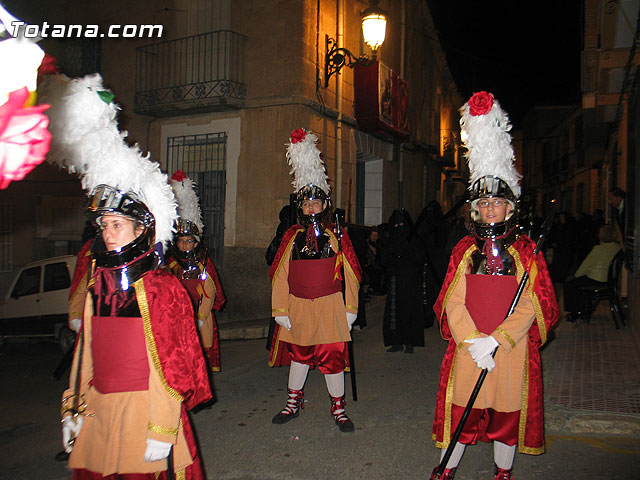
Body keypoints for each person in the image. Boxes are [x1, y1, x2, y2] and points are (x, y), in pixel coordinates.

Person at [54, 74, 211, 480]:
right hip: (100, 410)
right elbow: (85, 355)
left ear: (143, 229)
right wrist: (73, 407)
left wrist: (162, 426)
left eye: (117, 224)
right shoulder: (96, 284)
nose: (107, 232)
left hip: (145, 410)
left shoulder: (161, 288)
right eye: (104, 224)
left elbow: (172, 365)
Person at [430, 92, 558, 480]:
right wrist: (472, 339)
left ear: (510, 207)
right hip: (470, 347)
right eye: (483, 203)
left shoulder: (525, 252)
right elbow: (453, 301)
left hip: (510, 349)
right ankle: (447, 469)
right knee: (462, 410)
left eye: (497, 203)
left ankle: (503, 473)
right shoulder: (464, 250)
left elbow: (535, 305)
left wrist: (498, 339)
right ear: (474, 208)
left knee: (506, 410)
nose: (490, 210)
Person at [268, 128, 362, 433]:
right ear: (301, 206)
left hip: (331, 304)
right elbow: (281, 274)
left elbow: (351, 273)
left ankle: (338, 408)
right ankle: (293, 401)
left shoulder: (337, 236)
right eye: (306, 204)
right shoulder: (291, 237)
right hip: (298, 305)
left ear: (325, 206)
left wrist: (351, 308)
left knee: (333, 357)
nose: (311, 208)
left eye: (316, 204)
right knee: (300, 355)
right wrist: (280, 309)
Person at [167, 170, 226, 372]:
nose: (184, 245)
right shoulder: (171, 265)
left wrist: (199, 319)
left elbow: (209, 295)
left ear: (196, 242)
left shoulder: (203, 265)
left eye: (189, 241)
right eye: (181, 241)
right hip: (176, 321)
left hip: (199, 319)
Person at [381, 209, 425, 353]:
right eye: (396, 225)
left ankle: (409, 341)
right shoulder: (391, 240)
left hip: (410, 281)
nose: (399, 228)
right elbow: (384, 259)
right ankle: (396, 341)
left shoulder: (413, 240)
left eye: (401, 224)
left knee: (410, 311)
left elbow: (419, 258)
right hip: (395, 280)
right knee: (395, 313)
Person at [562, 224, 620, 321]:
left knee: (570, 285)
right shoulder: (617, 248)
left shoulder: (598, 249)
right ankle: (584, 309)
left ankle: (575, 312)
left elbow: (585, 266)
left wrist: (576, 276)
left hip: (597, 279)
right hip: (610, 280)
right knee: (579, 283)